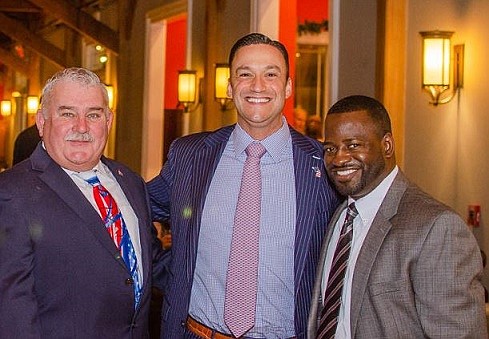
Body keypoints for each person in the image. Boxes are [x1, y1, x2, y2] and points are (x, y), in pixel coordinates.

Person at [148, 33, 339, 338]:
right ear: (230, 86)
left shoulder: (323, 164)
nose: (258, 86)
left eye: (271, 74)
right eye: (245, 74)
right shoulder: (190, 156)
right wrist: (167, 270)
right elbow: (137, 208)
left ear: (288, 87)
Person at [308, 95, 487, 338]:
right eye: (330, 148)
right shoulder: (340, 216)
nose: (339, 158)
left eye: (353, 145)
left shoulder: (437, 227)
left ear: (387, 145)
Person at [0, 67, 160, 338]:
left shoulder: (131, 183)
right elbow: (12, 313)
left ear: (108, 121)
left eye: (94, 115)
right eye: (67, 113)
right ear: (42, 122)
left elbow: (152, 262)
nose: (82, 127)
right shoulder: (13, 193)